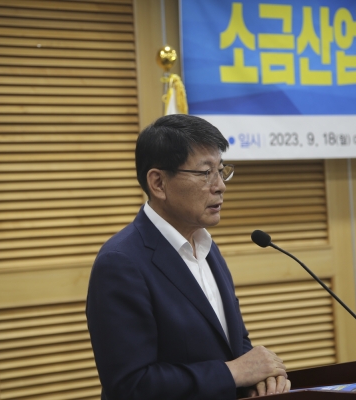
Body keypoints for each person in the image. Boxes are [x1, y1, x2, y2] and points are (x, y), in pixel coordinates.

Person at [86, 114, 290, 399]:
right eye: (205, 173)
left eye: (221, 170)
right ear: (158, 183)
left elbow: (234, 342)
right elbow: (131, 385)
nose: (220, 185)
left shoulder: (207, 247)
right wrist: (233, 373)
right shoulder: (120, 263)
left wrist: (260, 379)